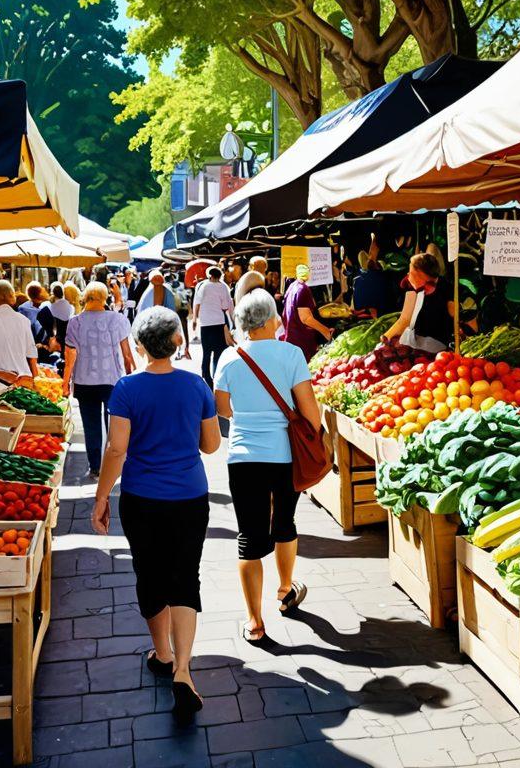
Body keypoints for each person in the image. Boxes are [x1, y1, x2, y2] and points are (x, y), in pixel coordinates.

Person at [92, 307, 220, 723]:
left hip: (142, 498)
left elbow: (115, 449)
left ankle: (162, 654)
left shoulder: (126, 388)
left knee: (149, 573)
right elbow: (212, 446)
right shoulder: (196, 384)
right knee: (186, 575)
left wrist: (100, 498)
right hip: (189, 496)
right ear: (178, 342)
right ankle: (184, 669)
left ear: (141, 345)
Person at [215, 289, 321, 643]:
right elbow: (309, 409)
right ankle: (286, 589)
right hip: (283, 456)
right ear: (271, 320)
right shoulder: (291, 353)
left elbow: (222, 409)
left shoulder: (229, 358)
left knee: (249, 538)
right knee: (285, 522)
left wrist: (248, 415)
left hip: (243, 458)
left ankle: (254, 622)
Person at [63, 281, 135, 479]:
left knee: (91, 425)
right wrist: (131, 376)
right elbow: (126, 354)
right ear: (105, 298)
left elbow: (70, 357)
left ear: (86, 297)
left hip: (85, 382)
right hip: (112, 380)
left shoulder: (75, 322)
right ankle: (115, 464)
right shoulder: (117, 320)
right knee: (114, 424)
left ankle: (95, 466)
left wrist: (65, 382)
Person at [383, 252, 454, 354]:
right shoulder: (411, 287)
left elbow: (457, 323)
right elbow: (405, 319)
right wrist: (385, 338)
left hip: (437, 349)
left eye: (411, 273)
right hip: (414, 344)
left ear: (422, 275)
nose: (408, 275)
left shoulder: (447, 290)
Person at [281, 265, 333, 363]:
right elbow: (306, 318)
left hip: (291, 340)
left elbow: (284, 314)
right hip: (302, 343)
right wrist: (326, 332)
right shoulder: (302, 289)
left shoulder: (292, 287)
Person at [193, 266, 234, 388]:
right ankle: (217, 377)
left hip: (205, 323)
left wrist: (195, 319)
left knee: (206, 352)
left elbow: (197, 303)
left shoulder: (202, 286)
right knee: (218, 353)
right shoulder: (223, 287)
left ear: (209, 275)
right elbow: (226, 306)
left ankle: (206, 375)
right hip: (219, 323)